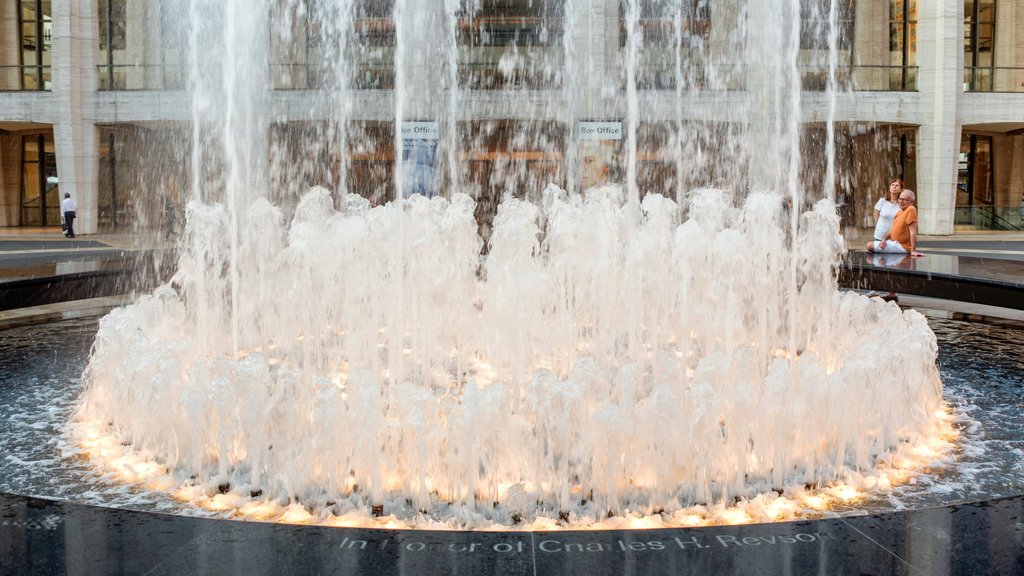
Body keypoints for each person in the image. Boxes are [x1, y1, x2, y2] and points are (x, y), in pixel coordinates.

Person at [866, 189, 924, 258]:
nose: (901, 201)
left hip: (903, 246)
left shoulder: (911, 209)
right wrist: (884, 239)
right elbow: (892, 229)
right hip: (894, 243)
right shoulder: (899, 212)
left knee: (869, 245)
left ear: (911, 202)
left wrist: (913, 250)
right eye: (900, 199)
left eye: (905, 199)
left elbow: (913, 231)